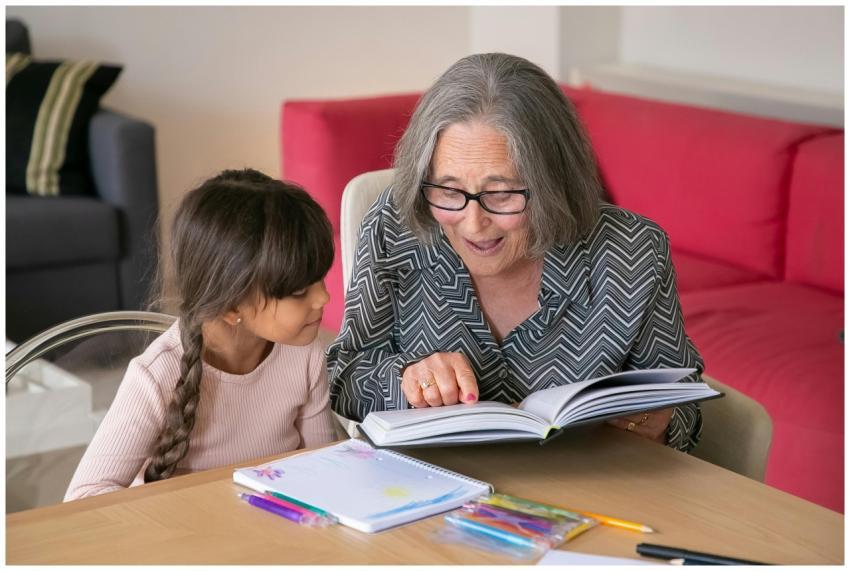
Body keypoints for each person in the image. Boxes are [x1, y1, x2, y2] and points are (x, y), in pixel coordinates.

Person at [327, 53, 704, 451]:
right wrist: (406, 377)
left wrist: (655, 421)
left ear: (553, 184)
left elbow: (683, 401)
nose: (473, 224)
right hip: (430, 488)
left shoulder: (633, 252)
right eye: (449, 191)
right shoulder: (397, 225)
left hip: (589, 493)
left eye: (502, 194)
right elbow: (344, 374)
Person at [65, 168, 338, 500]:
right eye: (298, 291)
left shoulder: (304, 353)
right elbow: (83, 498)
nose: (323, 298)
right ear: (231, 306)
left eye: (320, 278)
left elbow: (325, 469)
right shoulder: (156, 376)